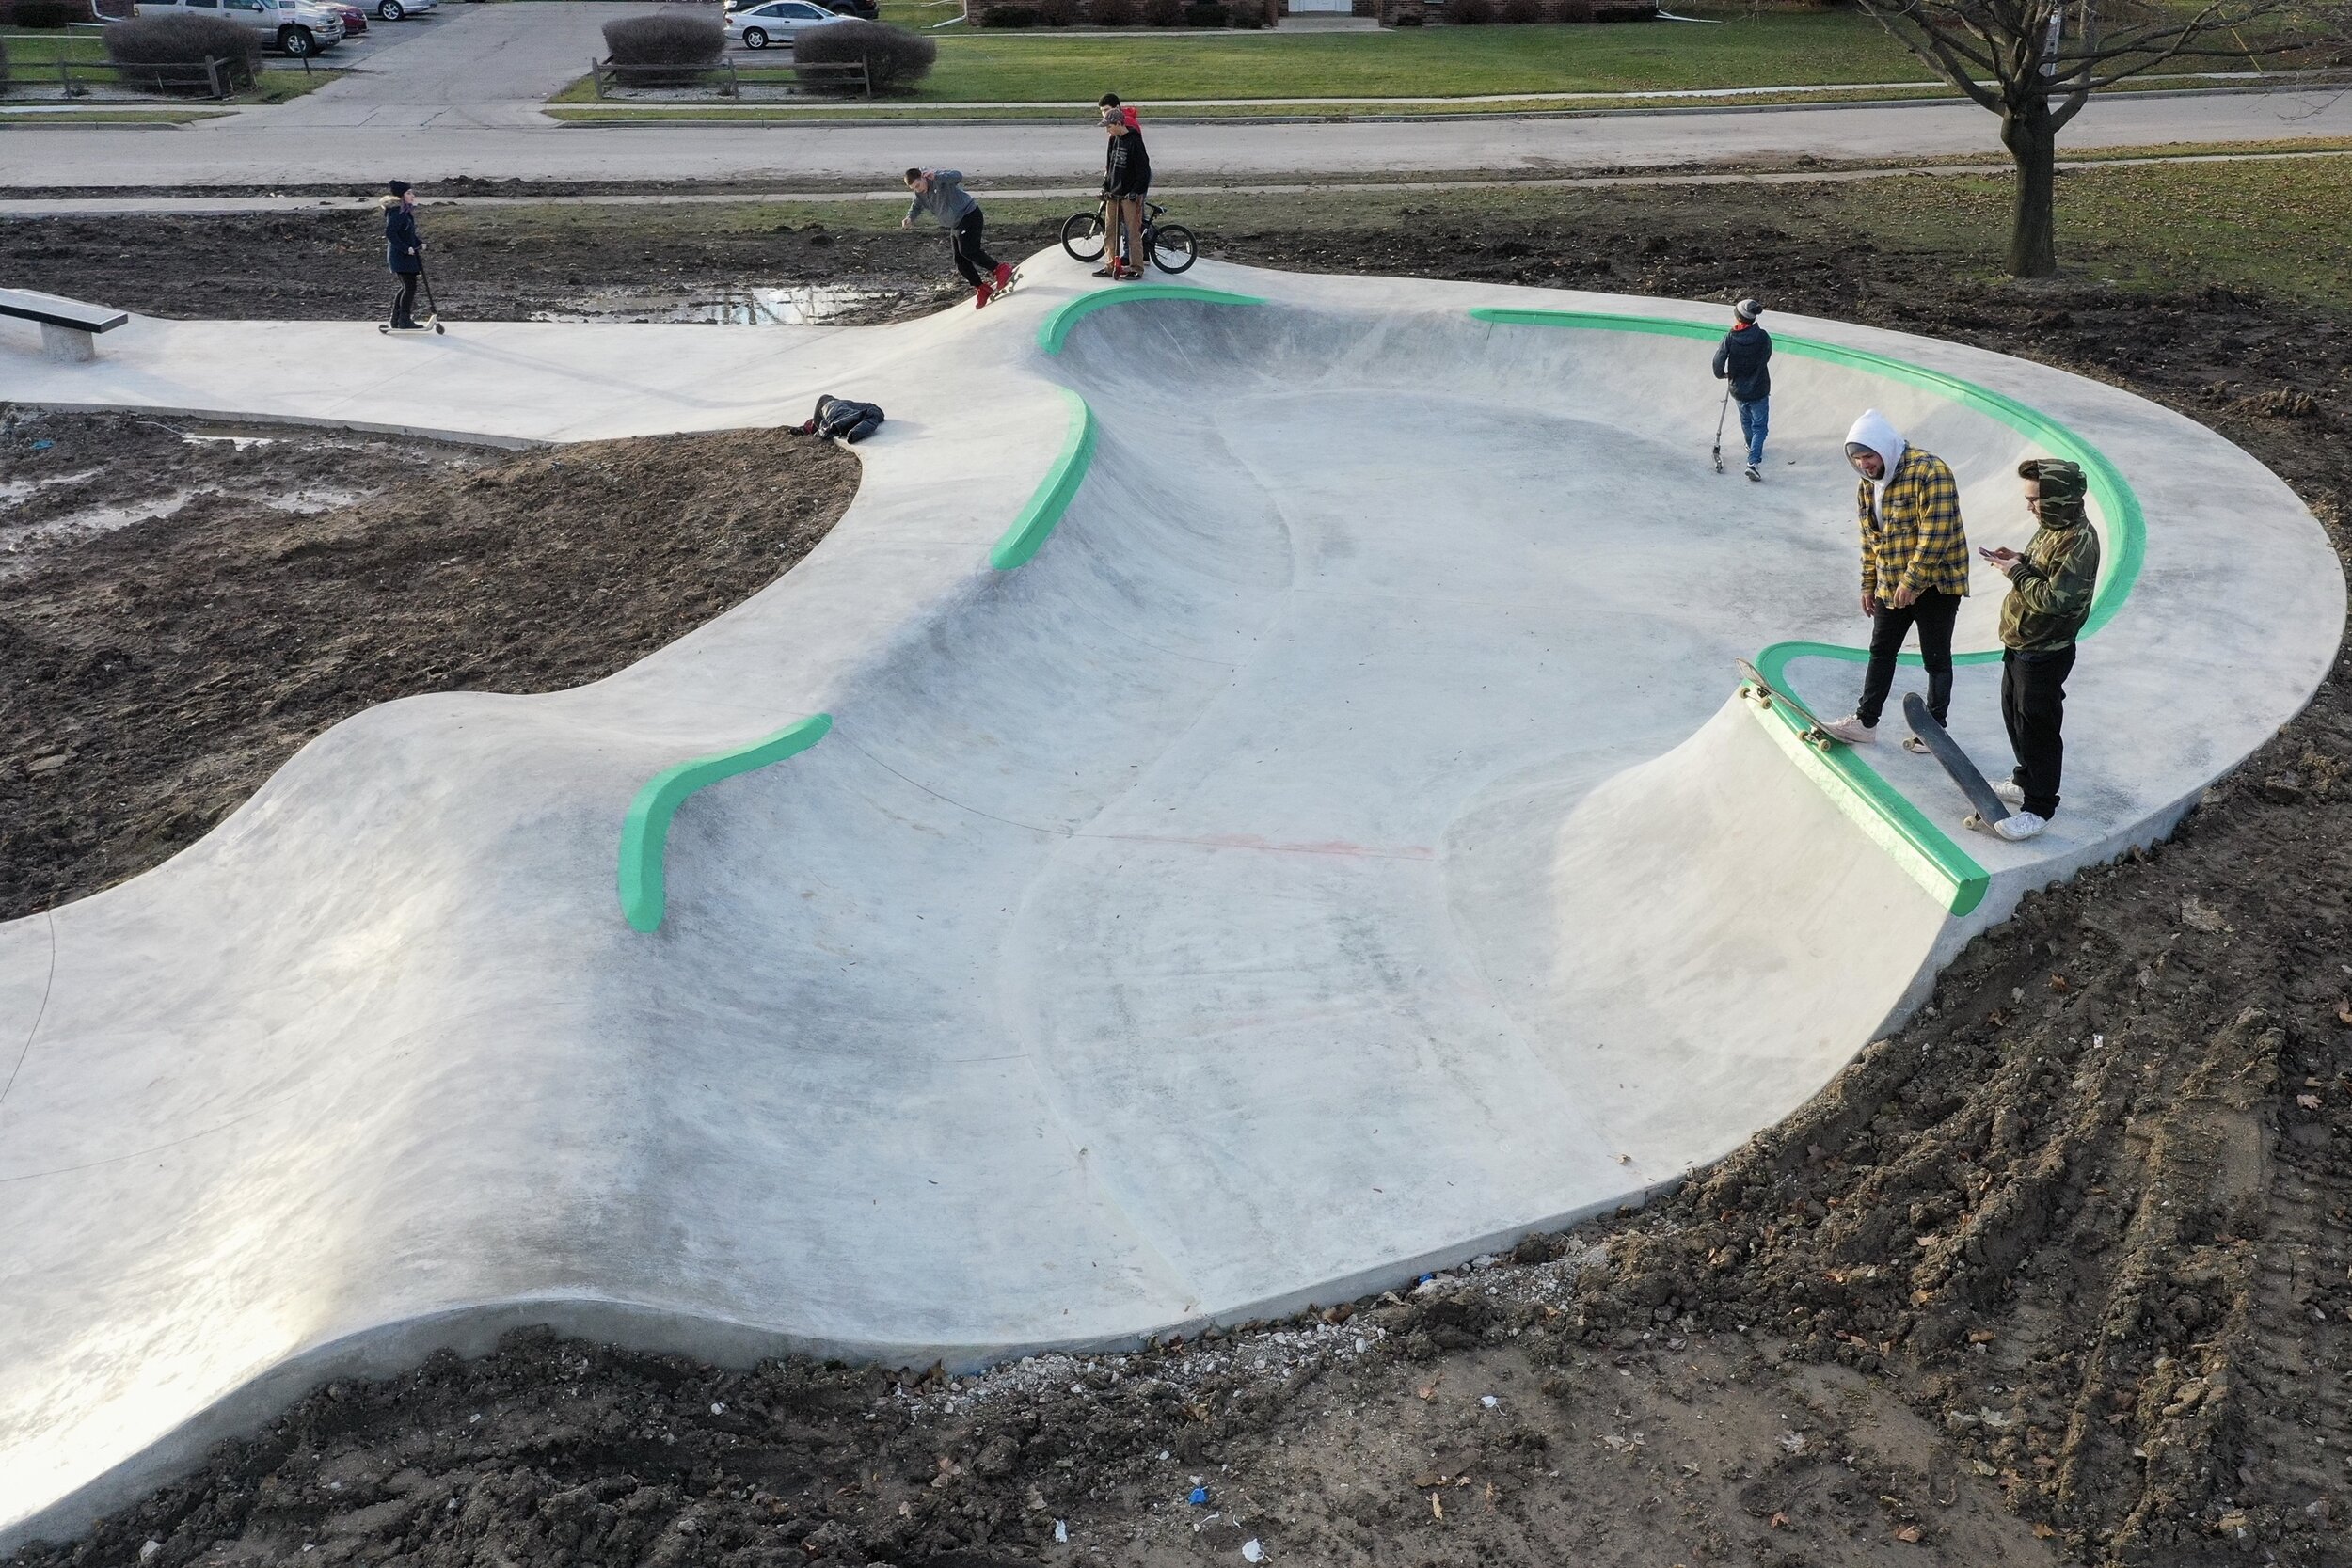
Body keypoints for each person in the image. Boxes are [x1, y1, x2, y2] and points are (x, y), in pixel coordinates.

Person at [1820, 409, 1970, 748]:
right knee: (1881, 650)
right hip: (1892, 583)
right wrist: (1868, 583)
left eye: (1868, 457)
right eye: (1857, 460)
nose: (1864, 465)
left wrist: (1912, 582)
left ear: (1885, 448)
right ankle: (1865, 722)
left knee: (1935, 657)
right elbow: (1870, 538)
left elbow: (1937, 533)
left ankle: (1933, 730)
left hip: (1936, 584)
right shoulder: (1867, 485)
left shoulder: (1930, 472)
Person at [1975, 457, 2100, 842]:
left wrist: (2014, 572)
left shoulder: (2079, 541)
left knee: (2038, 728)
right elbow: (2042, 570)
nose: (2028, 506)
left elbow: (2054, 598)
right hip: (2021, 643)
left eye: (2035, 500)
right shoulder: (2050, 528)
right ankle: (2025, 780)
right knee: (2015, 715)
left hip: (2046, 649)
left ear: (2059, 499)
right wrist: (2019, 559)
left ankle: (2039, 807)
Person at [901, 168, 1013, 309]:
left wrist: (937, 176)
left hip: (969, 215)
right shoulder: (919, 195)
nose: (918, 190)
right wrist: (909, 217)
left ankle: (1001, 269)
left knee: (968, 250)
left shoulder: (939, 180)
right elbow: (916, 207)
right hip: (956, 224)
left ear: (923, 177)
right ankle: (981, 288)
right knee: (960, 261)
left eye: (918, 185)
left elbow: (958, 176)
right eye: (914, 189)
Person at [1710, 297, 1771, 482]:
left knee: (1745, 418)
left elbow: (1718, 361)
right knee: (1760, 426)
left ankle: (1749, 443)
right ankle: (1753, 462)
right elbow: (1766, 355)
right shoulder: (1762, 336)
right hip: (1759, 388)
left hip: (1737, 388)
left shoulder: (1730, 337)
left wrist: (1722, 374)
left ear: (1738, 318)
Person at [1097, 94, 1151, 281]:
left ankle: (1136, 267)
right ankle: (1110, 264)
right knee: (1110, 230)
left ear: (1119, 124)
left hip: (1129, 195)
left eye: (1109, 126)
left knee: (1132, 232)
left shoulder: (1134, 142)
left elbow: (1143, 171)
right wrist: (1105, 187)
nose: (1108, 130)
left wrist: (1135, 191)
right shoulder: (1113, 141)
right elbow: (1110, 166)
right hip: (1114, 193)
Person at [380, 179, 424, 331]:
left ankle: (396, 319)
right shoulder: (397, 213)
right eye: (409, 193)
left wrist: (419, 243)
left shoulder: (405, 212)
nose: (412, 195)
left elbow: (407, 233)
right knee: (410, 286)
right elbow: (390, 233)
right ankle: (404, 319)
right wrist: (406, 249)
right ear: (401, 196)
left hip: (406, 256)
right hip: (400, 257)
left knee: (406, 286)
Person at [802, 393, 884, 445]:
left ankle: (810, 428)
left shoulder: (832, 408)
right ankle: (810, 427)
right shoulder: (871, 413)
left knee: (825, 398)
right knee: (827, 401)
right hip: (845, 412)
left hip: (838, 412)